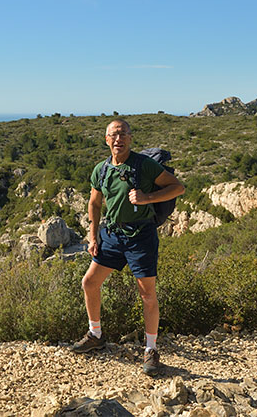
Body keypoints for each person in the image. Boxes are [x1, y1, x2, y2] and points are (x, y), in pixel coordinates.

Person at [71, 119, 184, 376]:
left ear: (130, 138)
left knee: (147, 294)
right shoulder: (101, 169)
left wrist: (148, 198)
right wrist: (93, 236)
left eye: (122, 134)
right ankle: (96, 334)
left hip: (141, 236)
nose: (118, 139)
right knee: (89, 283)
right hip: (112, 235)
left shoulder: (144, 165)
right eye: (113, 135)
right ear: (106, 140)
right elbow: (94, 204)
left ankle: (151, 350)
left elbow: (177, 186)